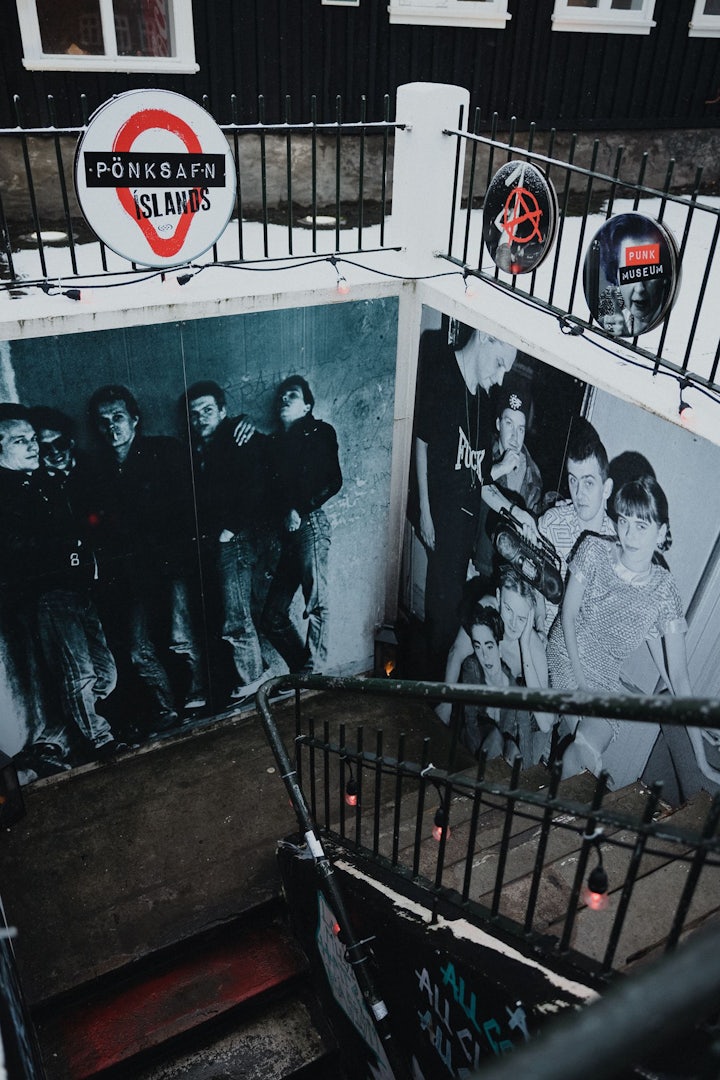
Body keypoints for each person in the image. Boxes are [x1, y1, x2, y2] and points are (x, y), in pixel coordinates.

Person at [546, 477, 720, 788]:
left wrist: (701, 758)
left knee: (593, 749)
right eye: (625, 521)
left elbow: (676, 677)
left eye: (642, 526)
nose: (629, 534)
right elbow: (568, 617)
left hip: (605, 677)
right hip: (569, 652)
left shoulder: (663, 591)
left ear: (662, 533)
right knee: (582, 753)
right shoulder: (594, 550)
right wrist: (583, 689)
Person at [413, 319, 538, 679]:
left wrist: (516, 511)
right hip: (442, 522)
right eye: (500, 364)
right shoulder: (442, 370)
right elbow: (421, 440)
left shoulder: (484, 406)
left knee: (451, 624)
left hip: (464, 533)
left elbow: (481, 479)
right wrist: (424, 509)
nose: (500, 378)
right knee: (438, 621)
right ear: (485, 337)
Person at [0, 404, 121, 776]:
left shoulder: (38, 483)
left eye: (32, 439)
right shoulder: (6, 494)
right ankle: (101, 742)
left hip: (75, 591)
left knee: (105, 674)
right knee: (80, 676)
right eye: (21, 441)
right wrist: (69, 551)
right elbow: (23, 551)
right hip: (49, 595)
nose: (34, 446)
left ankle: (56, 736)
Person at [88, 385, 204, 734]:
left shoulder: (163, 451)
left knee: (182, 637)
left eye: (118, 417)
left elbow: (187, 507)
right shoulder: (99, 469)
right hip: (134, 575)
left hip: (172, 566)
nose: (112, 427)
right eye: (103, 421)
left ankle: (199, 699)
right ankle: (166, 708)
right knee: (139, 648)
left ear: (135, 419)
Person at [185, 380, 270, 702]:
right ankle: (250, 673)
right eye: (195, 414)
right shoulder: (198, 451)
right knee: (228, 613)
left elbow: (256, 486)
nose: (201, 418)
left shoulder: (238, 438)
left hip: (234, 541)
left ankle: (253, 679)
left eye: (208, 410)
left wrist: (230, 530)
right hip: (217, 543)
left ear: (223, 411)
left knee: (236, 615)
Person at [261, 376, 342, 675]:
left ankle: (315, 672)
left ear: (307, 405)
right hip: (288, 534)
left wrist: (298, 508)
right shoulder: (274, 444)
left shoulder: (320, 432)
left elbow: (333, 480)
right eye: (281, 395)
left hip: (310, 524)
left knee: (317, 602)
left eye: (292, 395)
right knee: (272, 616)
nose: (283, 399)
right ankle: (304, 673)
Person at [438, 565, 553, 758]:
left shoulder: (534, 646)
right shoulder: (486, 609)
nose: (512, 624)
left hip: (526, 716)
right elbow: (457, 652)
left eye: (522, 617)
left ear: (531, 614)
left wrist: (525, 647)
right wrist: (445, 704)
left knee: (512, 757)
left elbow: (545, 723)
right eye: (508, 610)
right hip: (493, 701)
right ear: (498, 597)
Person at [538, 417, 616, 633]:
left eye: (589, 482)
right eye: (573, 480)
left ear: (606, 488)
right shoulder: (551, 524)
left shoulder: (617, 548)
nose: (579, 493)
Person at [473, 381, 543, 579]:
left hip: (510, 575)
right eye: (508, 423)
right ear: (498, 424)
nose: (514, 436)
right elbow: (466, 493)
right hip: (477, 564)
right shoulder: (482, 457)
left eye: (520, 429)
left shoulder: (533, 473)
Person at [457, 603, 532, 764]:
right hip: (474, 746)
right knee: (496, 737)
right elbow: (470, 723)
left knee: (514, 750)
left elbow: (525, 735)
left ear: (499, 647)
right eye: (478, 646)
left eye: (489, 646)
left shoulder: (515, 690)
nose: (483, 655)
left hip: (500, 755)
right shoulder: (472, 668)